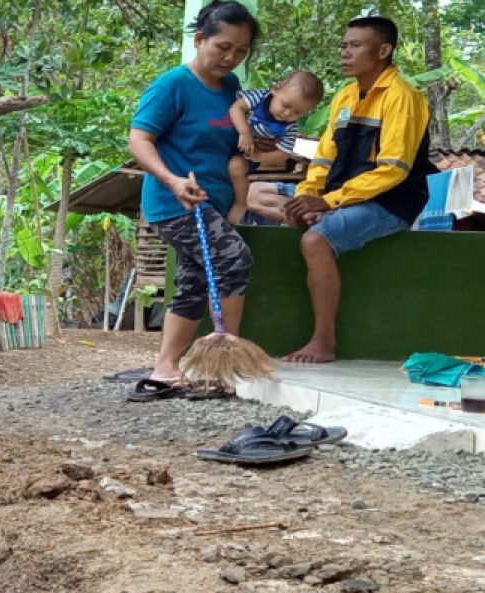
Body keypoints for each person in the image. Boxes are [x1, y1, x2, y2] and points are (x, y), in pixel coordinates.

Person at [245, 16, 430, 364]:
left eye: (355, 45)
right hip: (336, 201)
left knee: (315, 240)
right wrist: (307, 193)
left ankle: (323, 341)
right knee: (256, 195)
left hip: (391, 203)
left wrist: (327, 202)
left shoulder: (403, 98)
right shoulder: (345, 95)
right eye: (344, 45)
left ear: (384, 51)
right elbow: (324, 157)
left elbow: (393, 170)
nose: (345, 52)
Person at [126, 0, 260, 399]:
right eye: (223, 47)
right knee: (234, 260)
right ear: (200, 39)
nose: (231, 57)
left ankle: (166, 367)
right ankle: (226, 357)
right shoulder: (172, 85)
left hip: (213, 204)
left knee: (194, 281)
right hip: (176, 204)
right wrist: (171, 181)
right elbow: (139, 139)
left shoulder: (233, 88)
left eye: (241, 51)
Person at [226, 70, 325, 224]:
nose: (287, 114)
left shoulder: (290, 128)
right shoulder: (260, 97)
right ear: (275, 89)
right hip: (233, 138)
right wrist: (244, 132)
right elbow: (236, 108)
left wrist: (258, 157)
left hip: (247, 154)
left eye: (297, 112)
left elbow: (283, 154)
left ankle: (240, 204)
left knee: (236, 167)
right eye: (285, 105)